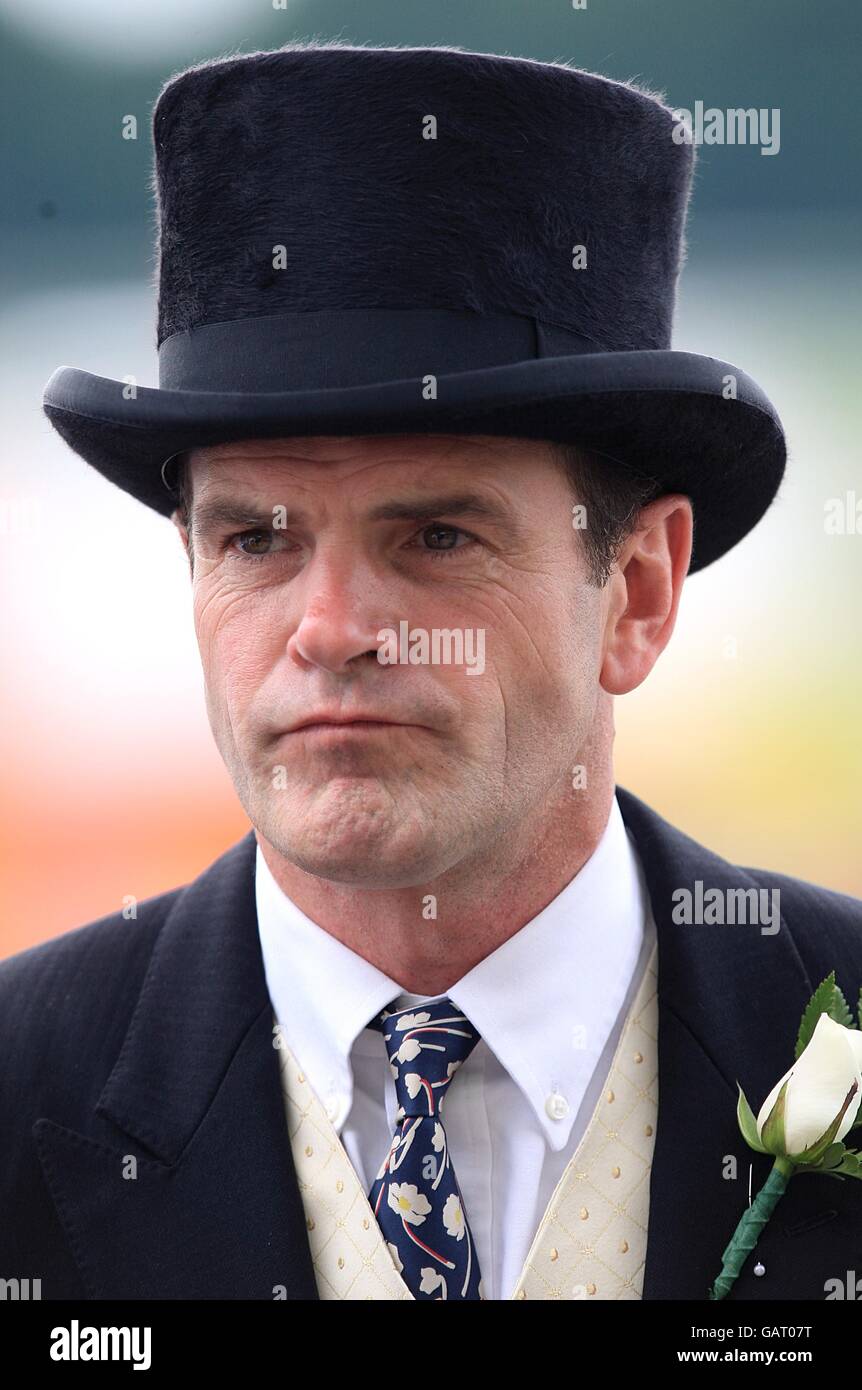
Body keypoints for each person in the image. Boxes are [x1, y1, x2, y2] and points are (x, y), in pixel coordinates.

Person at [2, 42, 860, 1302]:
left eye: (437, 536)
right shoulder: (22, 1086)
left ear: (636, 591)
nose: (333, 625)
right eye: (255, 538)